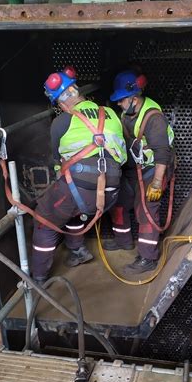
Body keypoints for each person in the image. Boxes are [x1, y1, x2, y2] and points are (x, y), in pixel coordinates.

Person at [32, 67, 127, 283]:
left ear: (61, 103)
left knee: (44, 219)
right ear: (77, 91)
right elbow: (122, 157)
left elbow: (58, 160)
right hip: (111, 191)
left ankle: (38, 279)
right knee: (71, 208)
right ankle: (77, 251)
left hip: (81, 190)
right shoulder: (110, 113)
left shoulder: (61, 122)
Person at [103, 70, 175, 275]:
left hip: (155, 169)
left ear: (134, 98)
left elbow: (163, 154)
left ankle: (147, 257)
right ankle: (123, 240)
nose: (118, 104)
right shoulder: (127, 112)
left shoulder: (153, 118)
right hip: (135, 167)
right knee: (117, 200)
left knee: (146, 209)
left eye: (122, 100)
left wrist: (156, 183)